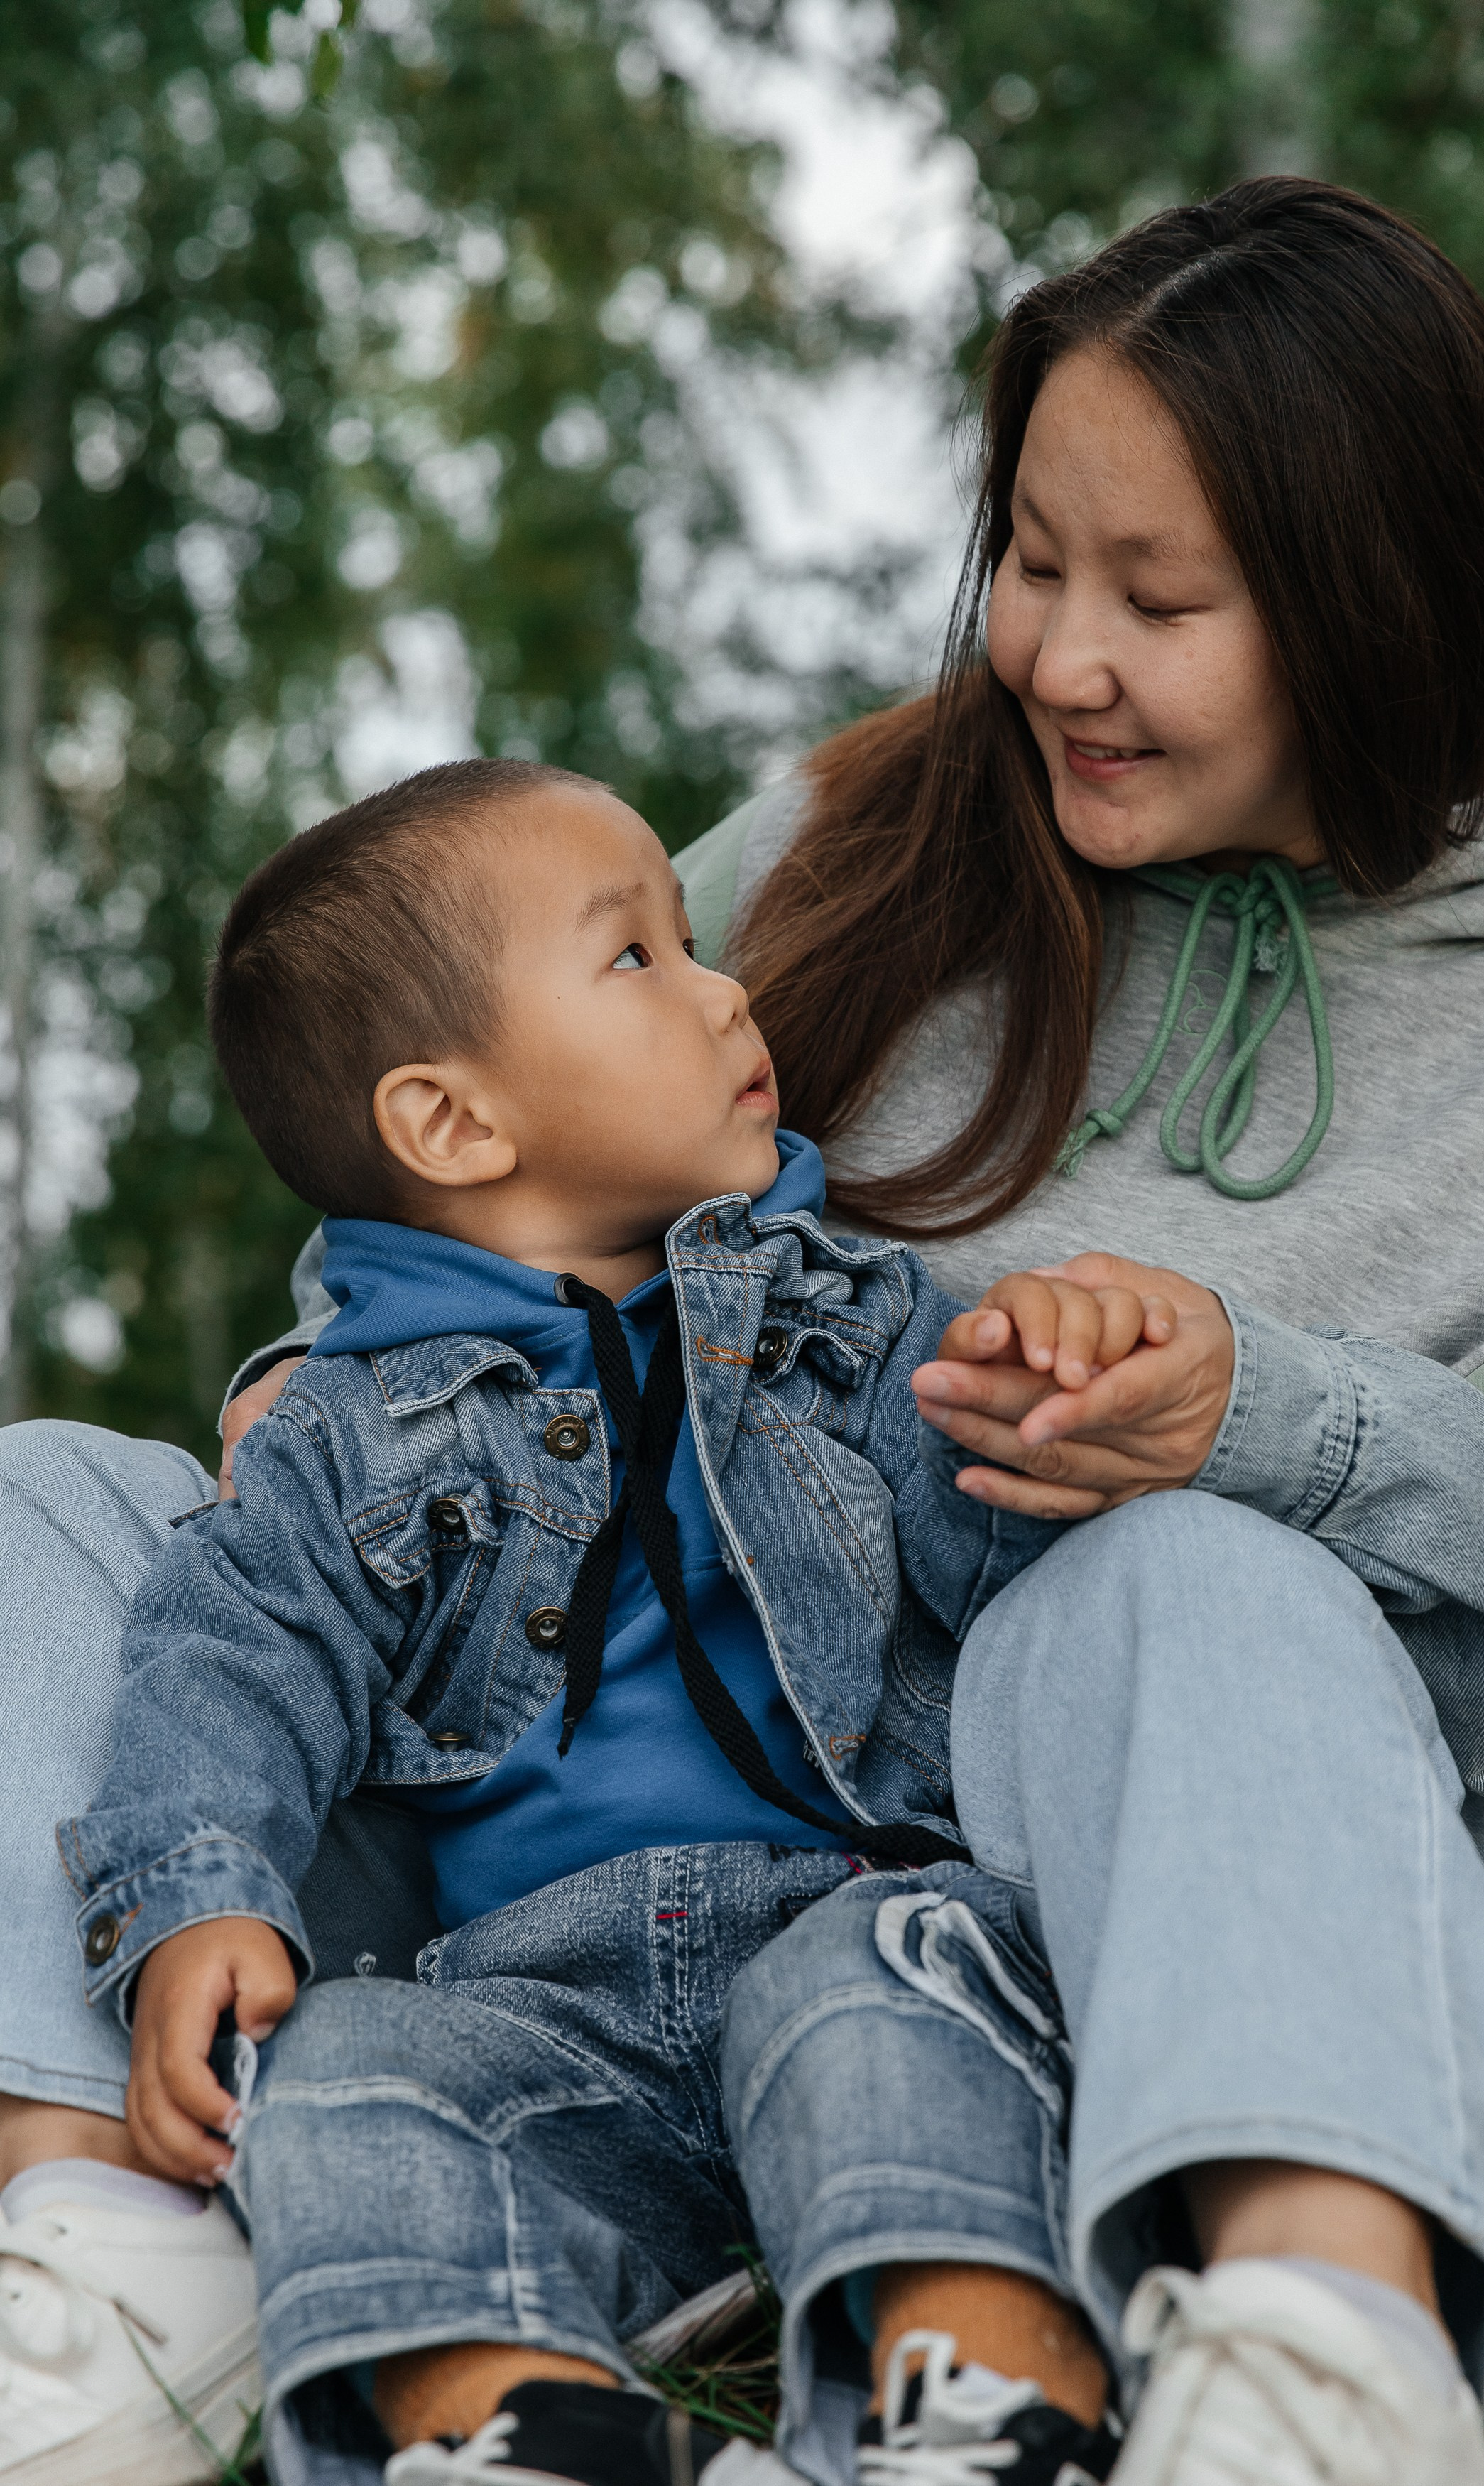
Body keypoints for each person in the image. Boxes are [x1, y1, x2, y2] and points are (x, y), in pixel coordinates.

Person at [3, 168, 1484, 2486]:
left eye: (1156, 599)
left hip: (1045, 1919)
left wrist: (1266, 1424)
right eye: (1034, 563)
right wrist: (319, 1390)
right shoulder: (840, 844)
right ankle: (115, 2238)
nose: (1052, 660)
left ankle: (1310, 2354)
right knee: (52, 1500)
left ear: (1374, 609)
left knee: (1193, 1561)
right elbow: (455, 1171)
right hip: (516, 1864)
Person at [50, 756, 1150, 2486]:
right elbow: (231, 1655)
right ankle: (520, 2424)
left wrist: (1043, 1409)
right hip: (543, 2005)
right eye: (638, 956)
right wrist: (203, 1898)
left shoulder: (843, 1322)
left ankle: (987, 2400)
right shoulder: (347, 1431)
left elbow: (1017, 1589)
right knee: (345, 2067)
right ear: (453, 1125)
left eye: (693, 940)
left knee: (895, 1997)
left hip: (849, 1910)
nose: (725, 990)